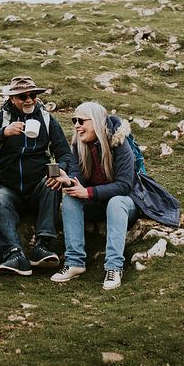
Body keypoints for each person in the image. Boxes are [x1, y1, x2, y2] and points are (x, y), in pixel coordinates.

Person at [0, 76, 72, 276]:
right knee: (0, 198)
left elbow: (64, 153)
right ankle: (13, 254)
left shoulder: (46, 119)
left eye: (33, 95)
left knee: (52, 184)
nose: (29, 100)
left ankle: (42, 246)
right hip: (8, 187)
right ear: (12, 99)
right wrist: (3, 133)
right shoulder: (1, 118)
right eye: (22, 96)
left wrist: (60, 170)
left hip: (38, 187)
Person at [47, 101, 142, 290]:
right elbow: (77, 174)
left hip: (126, 203)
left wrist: (88, 192)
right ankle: (75, 262)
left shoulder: (120, 143)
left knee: (115, 202)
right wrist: (68, 180)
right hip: (98, 202)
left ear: (96, 122)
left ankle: (114, 267)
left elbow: (124, 185)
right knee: (71, 198)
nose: (76, 126)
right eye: (75, 120)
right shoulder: (78, 145)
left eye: (81, 121)